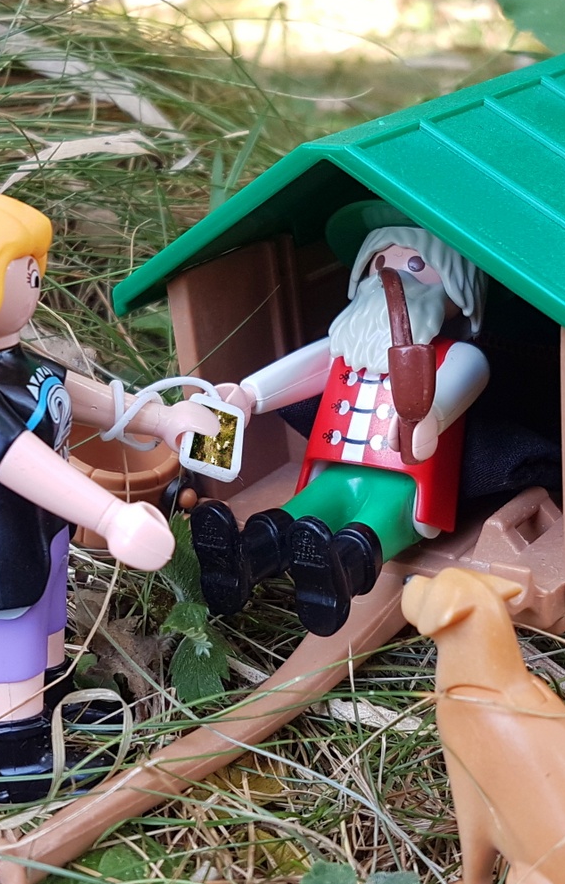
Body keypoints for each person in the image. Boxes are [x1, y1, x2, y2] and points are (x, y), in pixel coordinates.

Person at [0, 189, 216, 802]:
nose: (36, 276)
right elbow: (25, 465)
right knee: (15, 635)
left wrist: (159, 419)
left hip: (42, 530)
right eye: (20, 267)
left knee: (50, 619)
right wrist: (110, 515)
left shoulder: (16, 363)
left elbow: (76, 395)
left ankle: (55, 701)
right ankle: (17, 752)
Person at [191, 200, 489, 637]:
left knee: (376, 519)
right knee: (302, 511)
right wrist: (250, 393)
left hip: (405, 478)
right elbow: (302, 369)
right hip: (337, 467)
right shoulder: (348, 346)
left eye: (416, 265)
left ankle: (340, 574)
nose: (392, 278)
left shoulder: (457, 356)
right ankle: (245, 557)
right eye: (380, 263)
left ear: (460, 292)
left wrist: (429, 416)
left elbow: (457, 387)